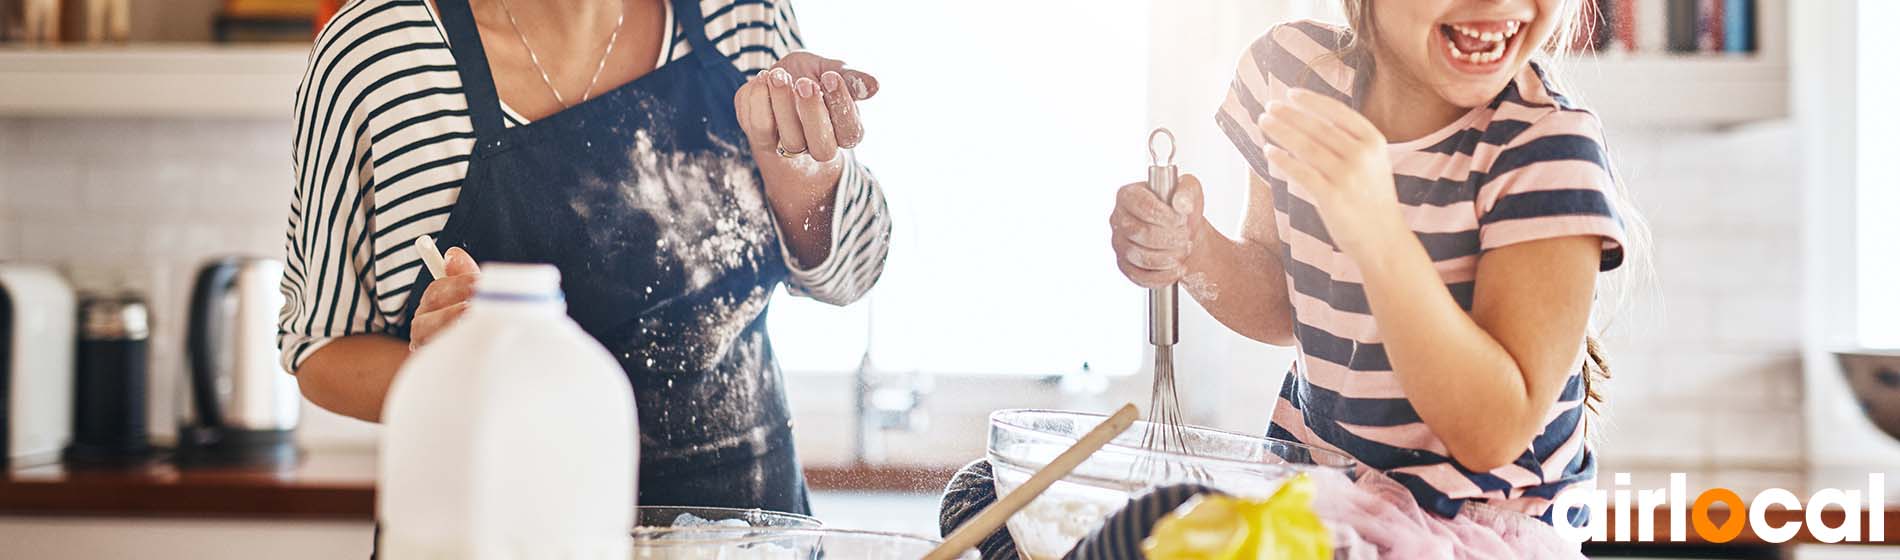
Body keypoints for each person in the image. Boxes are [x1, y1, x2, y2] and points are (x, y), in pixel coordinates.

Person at [280, 0, 891, 514]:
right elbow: (321, 348)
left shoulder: (739, 14)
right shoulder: (379, 56)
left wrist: (803, 162)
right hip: (499, 531)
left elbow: (850, 275)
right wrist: (445, 377)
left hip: (744, 531)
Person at [1107, 0, 1642, 555]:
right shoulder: (1291, 75)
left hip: (1474, 531)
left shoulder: (1544, 149)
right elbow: (1281, 302)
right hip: (1321, 499)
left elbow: (1492, 432)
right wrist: (1195, 250)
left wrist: (1377, 231)